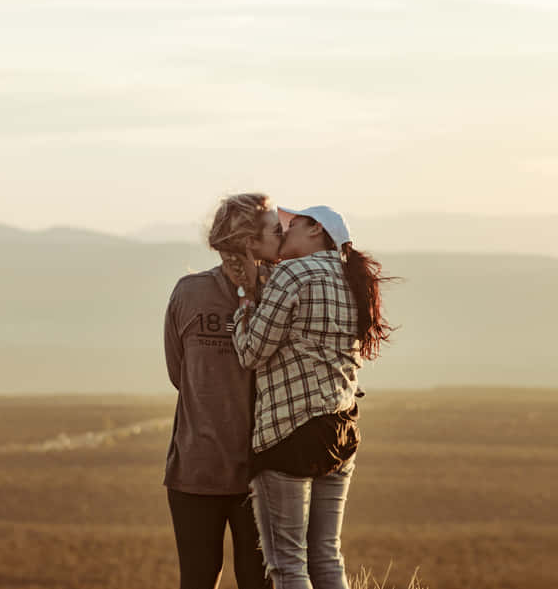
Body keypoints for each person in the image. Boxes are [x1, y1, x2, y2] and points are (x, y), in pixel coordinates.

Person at [224, 205, 396, 589]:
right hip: (342, 427)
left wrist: (243, 309)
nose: (284, 233)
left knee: (287, 564)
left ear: (317, 230)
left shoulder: (292, 273)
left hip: (289, 431)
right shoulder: (354, 279)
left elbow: (252, 352)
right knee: (326, 556)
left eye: (292, 225)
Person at [163, 193, 283, 589]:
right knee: (197, 579)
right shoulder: (189, 293)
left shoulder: (282, 295)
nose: (282, 236)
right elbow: (180, 374)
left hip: (261, 476)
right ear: (250, 241)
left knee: (258, 583)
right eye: (274, 230)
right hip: (195, 473)